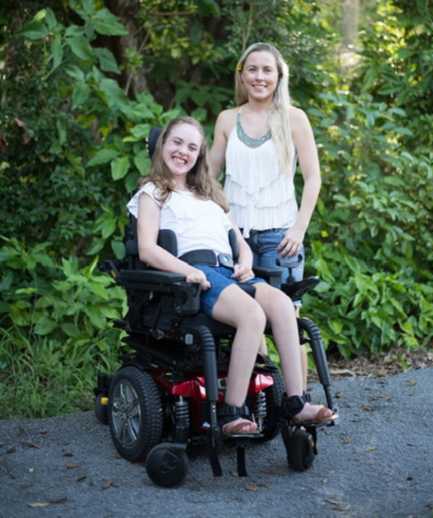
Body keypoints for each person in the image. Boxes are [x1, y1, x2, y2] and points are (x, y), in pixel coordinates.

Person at [127, 116, 334, 436]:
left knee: (281, 303)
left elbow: (239, 242)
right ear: (162, 145)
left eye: (192, 147)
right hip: (195, 275)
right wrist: (190, 272)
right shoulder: (153, 192)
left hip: (230, 271)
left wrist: (247, 261)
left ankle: (296, 404)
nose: (183, 151)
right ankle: (231, 413)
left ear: (199, 156)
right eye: (176, 143)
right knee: (251, 314)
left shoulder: (210, 197)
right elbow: (147, 250)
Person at [210, 42, 321, 368]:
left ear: (279, 75)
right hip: (233, 240)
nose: (259, 76)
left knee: (288, 321)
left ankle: (297, 401)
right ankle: (262, 403)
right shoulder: (227, 120)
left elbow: (313, 179)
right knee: (249, 321)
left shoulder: (294, 119)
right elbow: (209, 178)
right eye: (252, 69)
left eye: (267, 70)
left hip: (280, 238)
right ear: (242, 75)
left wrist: (298, 229)